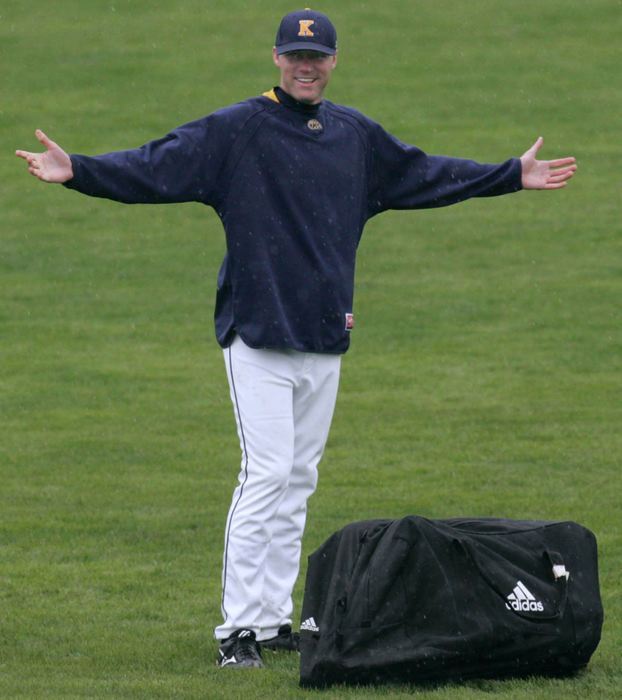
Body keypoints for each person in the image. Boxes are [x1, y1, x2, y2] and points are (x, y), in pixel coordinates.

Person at [16, 8, 576, 670]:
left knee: (299, 480)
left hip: (323, 336)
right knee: (267, 474)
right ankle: (236, 633)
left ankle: (274, 618)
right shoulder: (235, 130)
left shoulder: (354, 136)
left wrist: (510, 175)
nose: (305, 67)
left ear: (333, 62)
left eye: (317, 58)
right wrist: (78, 169)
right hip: (256, 336)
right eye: (294, 57)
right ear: (277, 61)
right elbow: (155, 167)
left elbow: (423, 174)